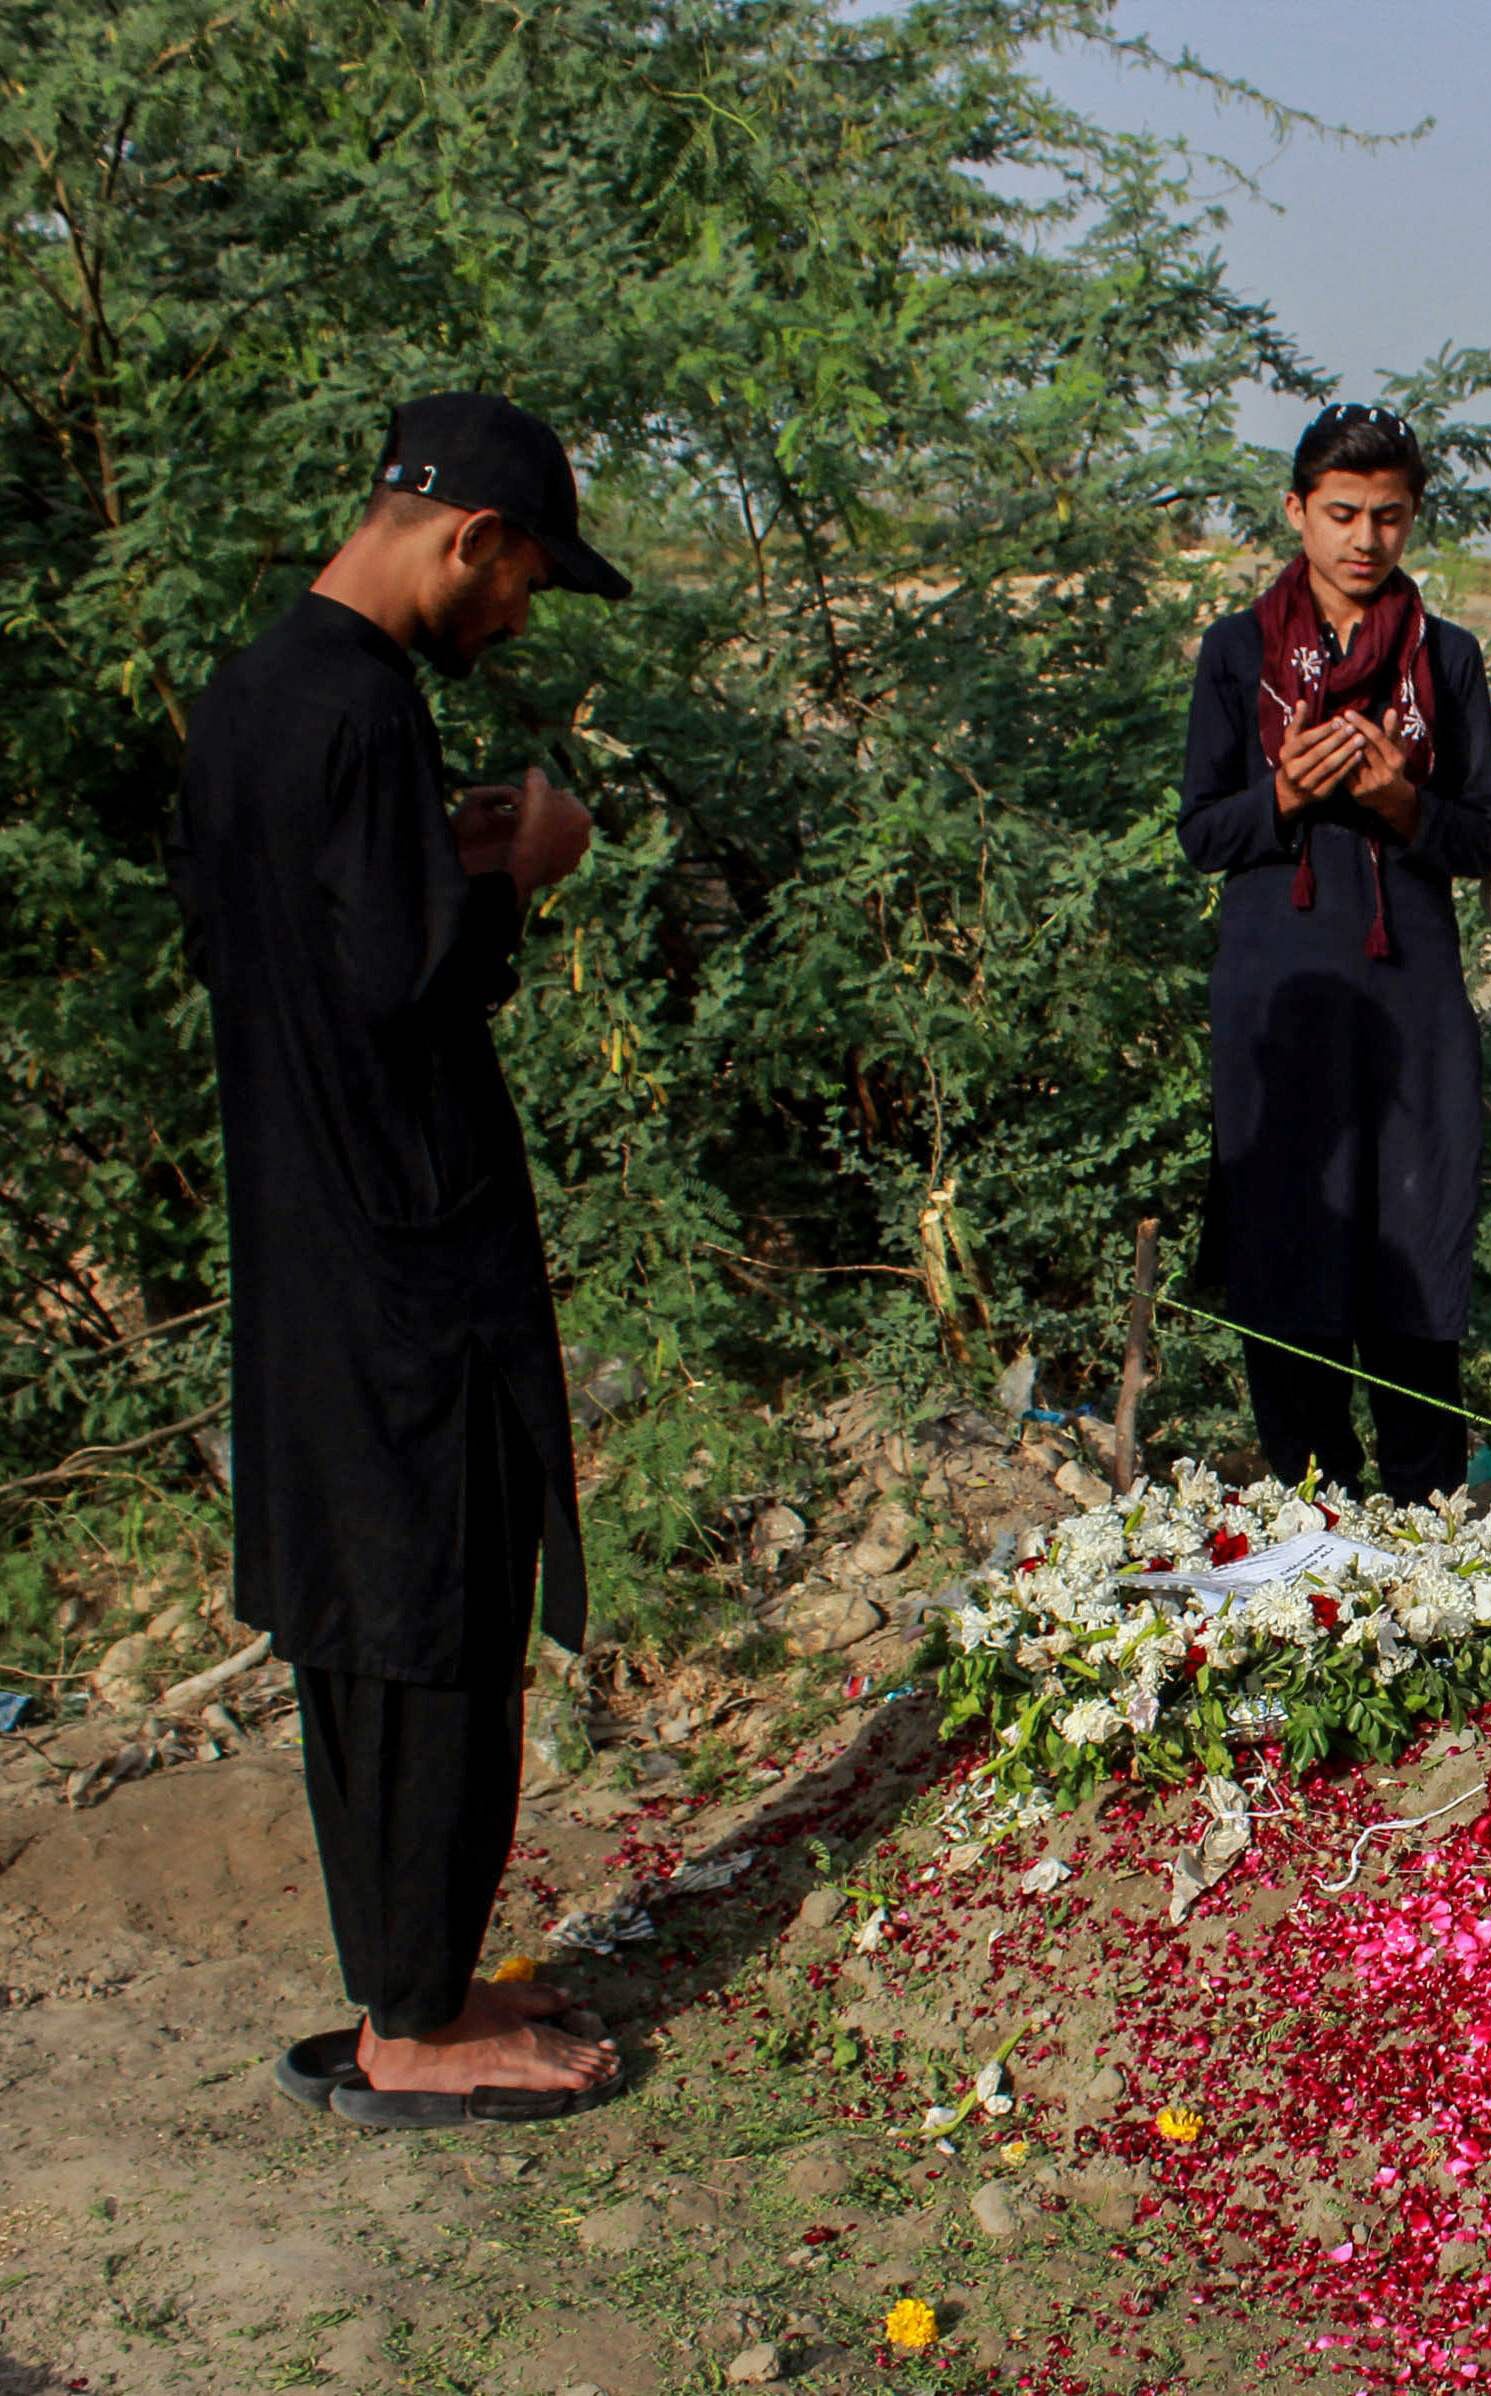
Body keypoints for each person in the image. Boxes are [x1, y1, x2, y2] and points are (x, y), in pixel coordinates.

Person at [168, 392, 627, 2124]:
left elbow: (260, 936)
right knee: (437, 1597)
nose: (516, 620)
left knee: (371, 1614)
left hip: (301, 1234)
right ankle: (421, 2031)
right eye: (521, 584)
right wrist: (524, 882)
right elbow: (395, 1002)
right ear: (470, 540)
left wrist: (437, 862)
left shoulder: (252, 694)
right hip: (402, 1251)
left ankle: (404, 1986)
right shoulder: (362, 707)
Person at [1179, 404, 1491, 1501]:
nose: (1364, 540)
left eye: (1388, 516)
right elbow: (1201, 833)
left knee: (1415, 1235)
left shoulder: (1445, 659)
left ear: (1412, 518)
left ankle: (1426, 1520)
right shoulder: (1238, 653)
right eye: (1341, 514)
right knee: (1286, 1237)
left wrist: (1394, 798)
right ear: (1296, 511)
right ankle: (1309, 1505)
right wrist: (1285, 789)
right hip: (1281, 995)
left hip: (1409, 996)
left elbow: (1481, 837)